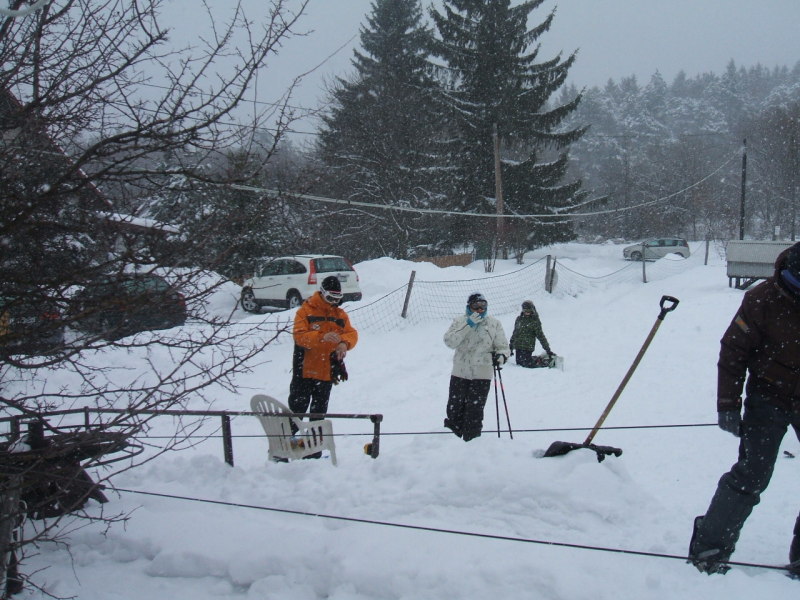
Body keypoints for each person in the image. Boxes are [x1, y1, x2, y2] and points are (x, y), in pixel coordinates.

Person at [689, 242, 800, 576]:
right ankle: (710, 547)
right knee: (752, 473)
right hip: (769, 395)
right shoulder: (762, 299)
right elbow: (733, 351)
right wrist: (727, 404)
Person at [288, 275, 358, 447]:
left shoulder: (340, 315)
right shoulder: (305, 311)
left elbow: (352, 333)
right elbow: (299, 336)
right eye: (330, 298)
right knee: (297, 411)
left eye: (337, 298)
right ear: (322, 293)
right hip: (304, 370)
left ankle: (314, 449)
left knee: (318, 414)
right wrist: (321, 337)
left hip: (326, 372)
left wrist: (343, 343)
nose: (333, 302)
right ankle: (281, 446)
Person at [443, 292, 510, 441]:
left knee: (474, 412)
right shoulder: (460, 321)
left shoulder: (493, 323)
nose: (480, 310)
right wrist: (468, 324)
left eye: (483, 306)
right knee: (454, 410)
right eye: (476, 306)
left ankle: (471, 444)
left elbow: (503, 346)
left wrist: (501, 356)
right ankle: (450, 443)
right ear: (469, 306)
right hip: (460, 373)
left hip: (482, 374)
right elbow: (450, 341)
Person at [509, 300, 554, 368]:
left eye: (529, 311)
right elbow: (515, 333)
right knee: (520, 363)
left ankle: (543, 361)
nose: (527, 313)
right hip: (519, 347)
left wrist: (547, 349)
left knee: (527, 365)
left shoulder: (534, 321)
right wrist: (511, 347)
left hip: (528, 347)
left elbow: (540, 336)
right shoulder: (519, 319)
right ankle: (535, 359)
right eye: (525, 311)